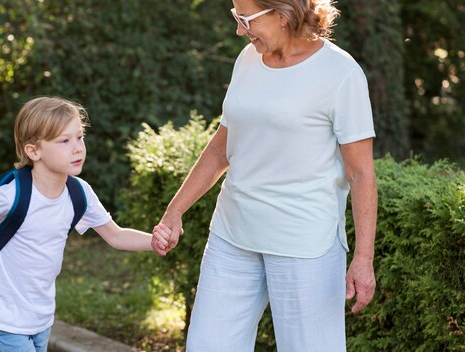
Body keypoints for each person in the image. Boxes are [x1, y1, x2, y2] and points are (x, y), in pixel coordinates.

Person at [152, 0, 377, 351]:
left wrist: (363, 259)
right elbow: (220, 148)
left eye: (246, 19)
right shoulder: (247, 60)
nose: (239, 30)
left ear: (283, 14)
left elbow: (362, 173)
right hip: (232, 235)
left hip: (304, 246)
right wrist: (175, 209)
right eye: (235, 17)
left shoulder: (341, 73)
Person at [0, 96, 170, 352]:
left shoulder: (79, 192)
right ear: (33, 151)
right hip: (4, 315)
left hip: (41, 315)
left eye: (79, 137)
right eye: (64, 140)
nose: (77, 148)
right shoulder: (10, 196)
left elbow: (115, 235)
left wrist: (154, 241)